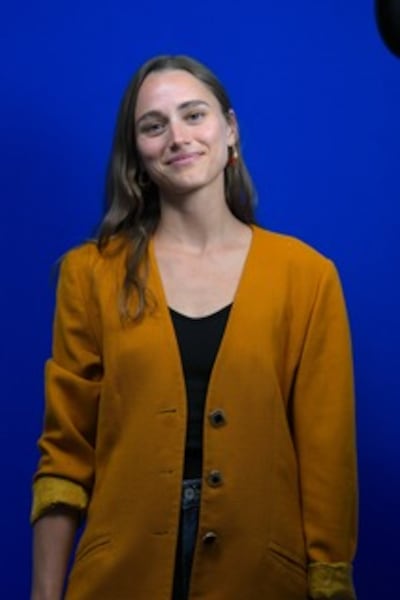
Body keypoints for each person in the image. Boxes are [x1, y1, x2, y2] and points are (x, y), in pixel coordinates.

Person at [31, 54, 358, 600]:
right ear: (137, 154)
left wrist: (329, 582)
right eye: (153, 126)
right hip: (118, 578)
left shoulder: (308, 276)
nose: (177, 137)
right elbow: (65, 450)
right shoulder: (89, 274)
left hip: (260, 579)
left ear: (230, 130)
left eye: (193, 115)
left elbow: (328, 458)